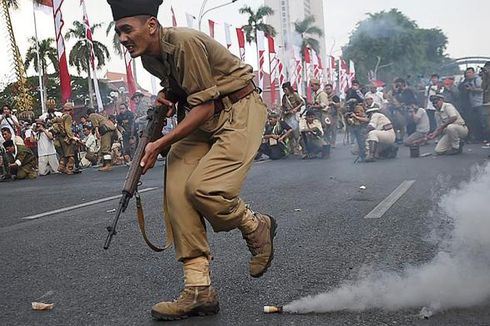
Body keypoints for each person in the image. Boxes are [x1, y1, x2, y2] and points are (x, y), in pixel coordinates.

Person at [108, 0, 277, 320]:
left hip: (237, 110)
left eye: (127, 29)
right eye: (118, 31)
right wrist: (168, 96)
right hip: (201, 117)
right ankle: (198, 289)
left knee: (204, 188)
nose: (122, 38)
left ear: (152, 27)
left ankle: (256, 226)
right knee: (176, 192)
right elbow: (179, 88)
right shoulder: (148, 59)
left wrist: (159, 144)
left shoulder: (184, 42)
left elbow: (205, 106)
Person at [52, 103, 79, 175]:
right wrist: (72, 137)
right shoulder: (68, 117)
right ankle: (69, 169)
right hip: (65, 139)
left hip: (58, 139)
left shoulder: (61, 117)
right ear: (71, 110)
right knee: (70, 155)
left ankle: (61, 167)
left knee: (64, 155)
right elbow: (67, 129)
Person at [280, 82, 304, 155]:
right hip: (288, 116)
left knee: (296, 133)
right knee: (290, 133)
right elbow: (283, 106)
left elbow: (302, 103)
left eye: (286, 89)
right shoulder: (284, 97)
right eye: (284, 90)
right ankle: (292, 149)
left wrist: (296, 109)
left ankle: (298, 148)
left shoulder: (295, 95)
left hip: (295, 115)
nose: (285, 91)